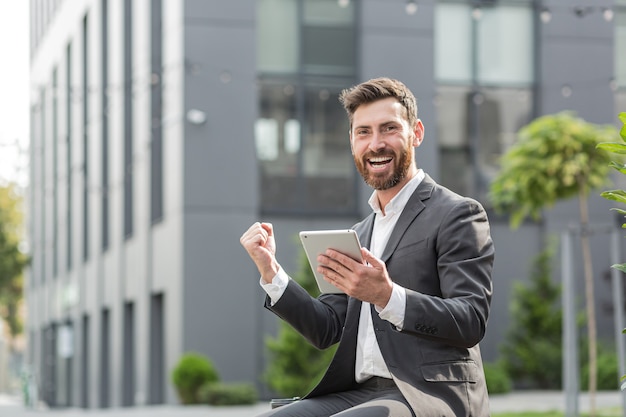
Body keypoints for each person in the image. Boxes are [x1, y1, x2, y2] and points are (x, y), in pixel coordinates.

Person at [240, 77, 495, 416]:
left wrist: (387, 296)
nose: (375, 144)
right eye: (363, 132)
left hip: (426, 393)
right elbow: (328, 327)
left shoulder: (457, 214)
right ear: (351, 141)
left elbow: (470, 320)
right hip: (359, 392)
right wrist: (271, 272)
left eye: (389, 128)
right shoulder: (359, 232)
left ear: (416, 133)